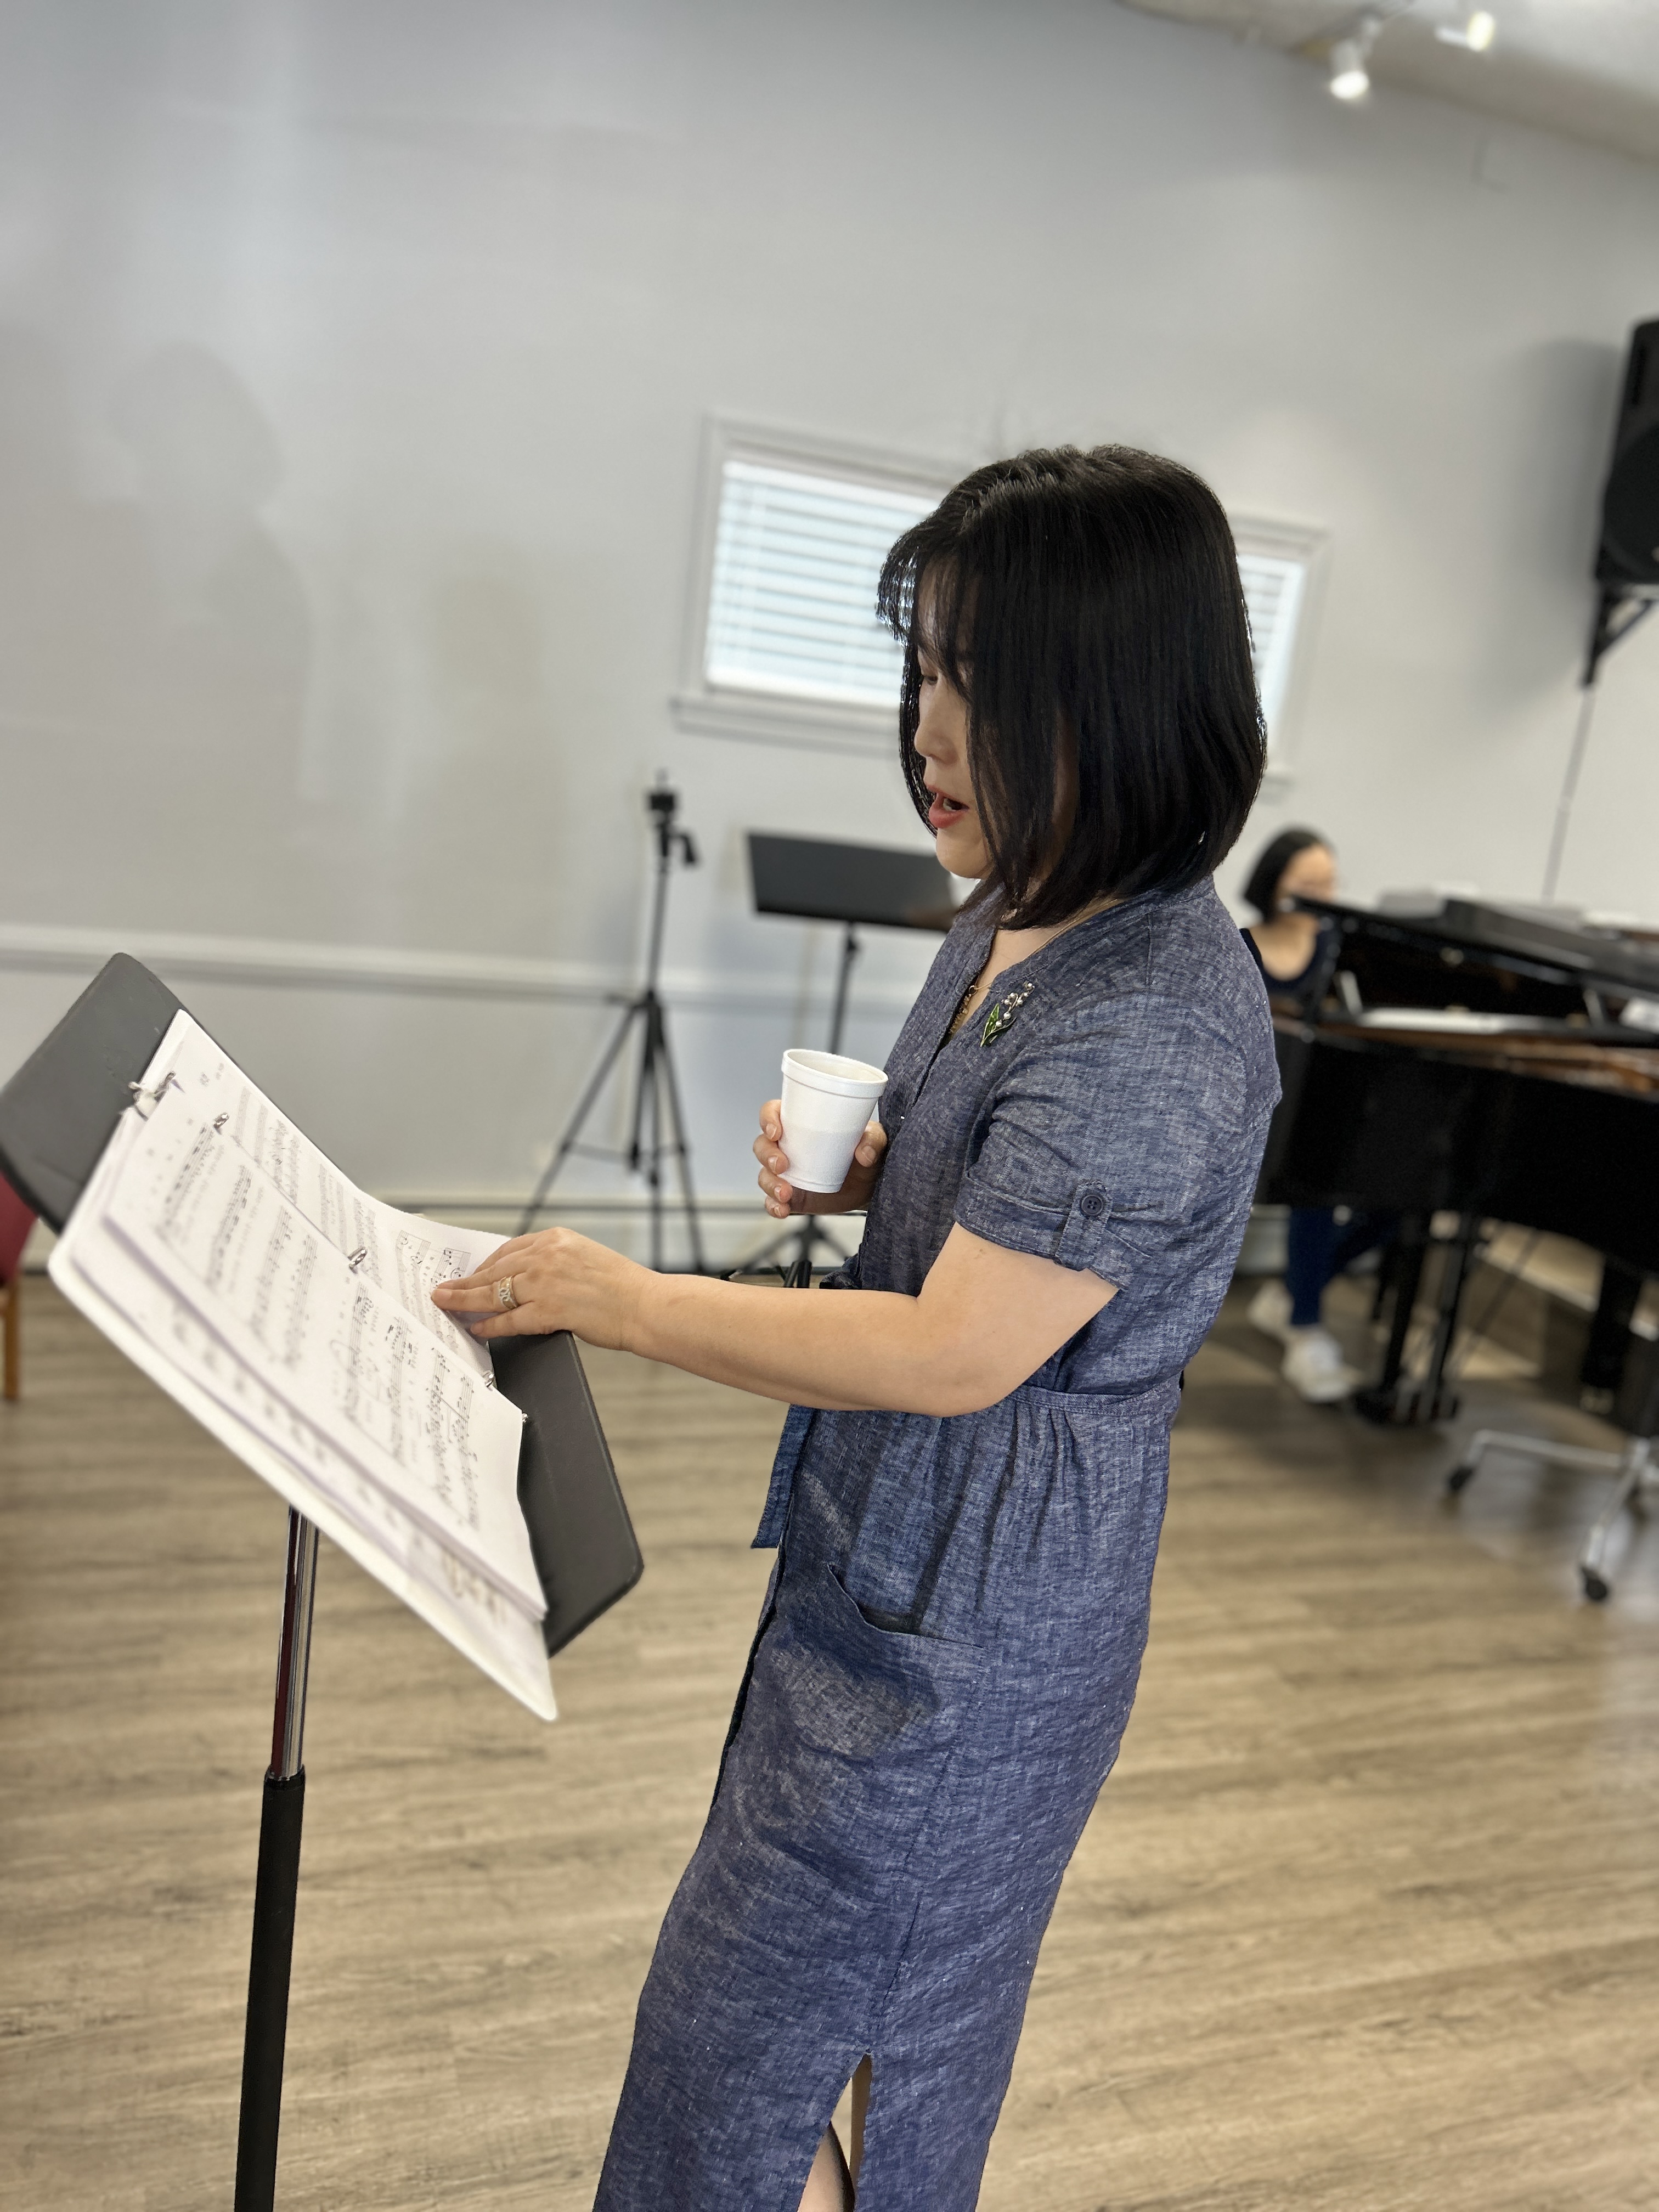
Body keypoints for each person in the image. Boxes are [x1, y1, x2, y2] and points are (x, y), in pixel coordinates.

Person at [433, 446, 1279, 2212]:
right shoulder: (1017, 907)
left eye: (981, 684)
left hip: (973, 1642)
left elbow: (959, 1352)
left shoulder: (1158, 1020)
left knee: (810, 2048)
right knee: (765, 2044)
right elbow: (1001, 1225)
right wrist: (901, 1173)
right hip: (884, 1574)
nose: (928, 730)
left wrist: (624, 1300)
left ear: (1119, 699)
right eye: (926, 670)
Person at [1238, 828, 1391, 1403]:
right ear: (1273, 883)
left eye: (1328, 884)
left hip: (1320, 1109)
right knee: (1313, 1181)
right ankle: (1304, 1325)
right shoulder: (1240, 948)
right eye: (1306, 883)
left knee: (1383, 1209)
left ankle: (1295, 1297)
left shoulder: (1342, 951)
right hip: (1251, 1112)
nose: (1319, 896)